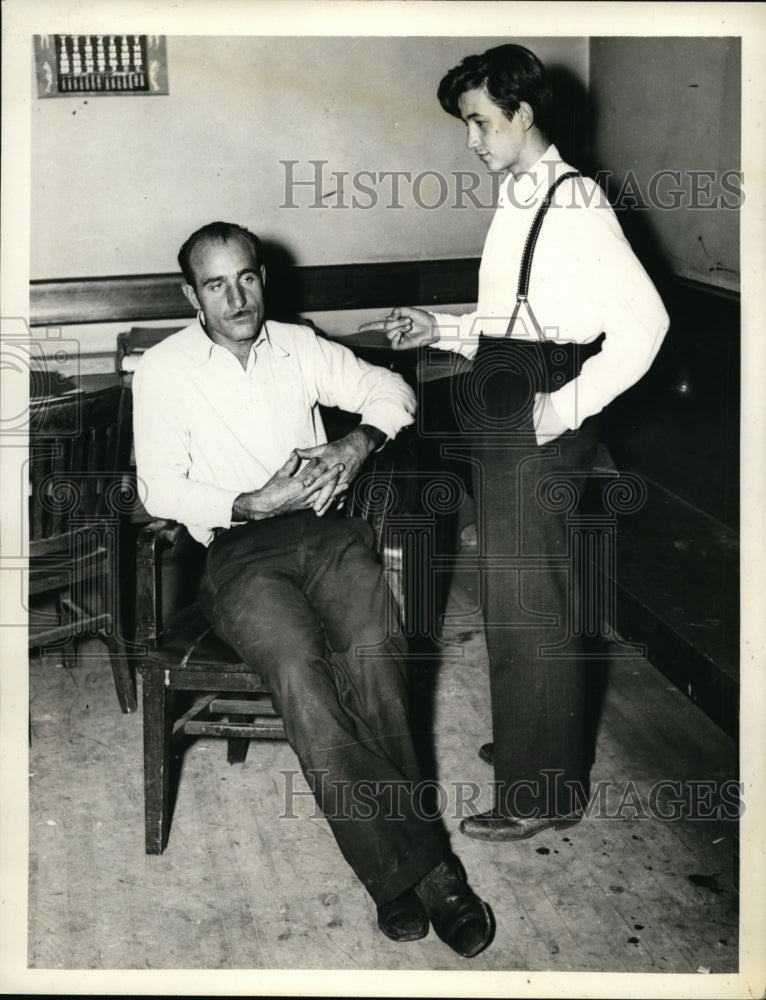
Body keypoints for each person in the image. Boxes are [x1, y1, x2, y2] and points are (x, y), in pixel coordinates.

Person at [132, 221, 493, 957]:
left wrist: (354, 444)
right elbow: (159, 486)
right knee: (302, 675)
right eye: (215, 285)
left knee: (377, 651)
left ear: (263, 276)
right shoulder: (164, 371)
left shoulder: (298, 345)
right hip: (236, 554)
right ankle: (423, 875)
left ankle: (397, 872)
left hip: (328, 537)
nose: (236, 298)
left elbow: (391, 389)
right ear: (189, 296)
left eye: (247, 277)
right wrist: (247, 504)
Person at [360, 44, 669, 842]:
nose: (471, 141)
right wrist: (446, 327)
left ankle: (543, 789)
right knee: (510, 591)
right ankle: (542, 736)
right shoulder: (523, 197)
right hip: (504, 401)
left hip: (537, 415)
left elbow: (646, 327)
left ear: (523, 113)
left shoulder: (575, 203)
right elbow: (522, 318)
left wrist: (563, 411)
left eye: (479, 122)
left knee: (535, 600)